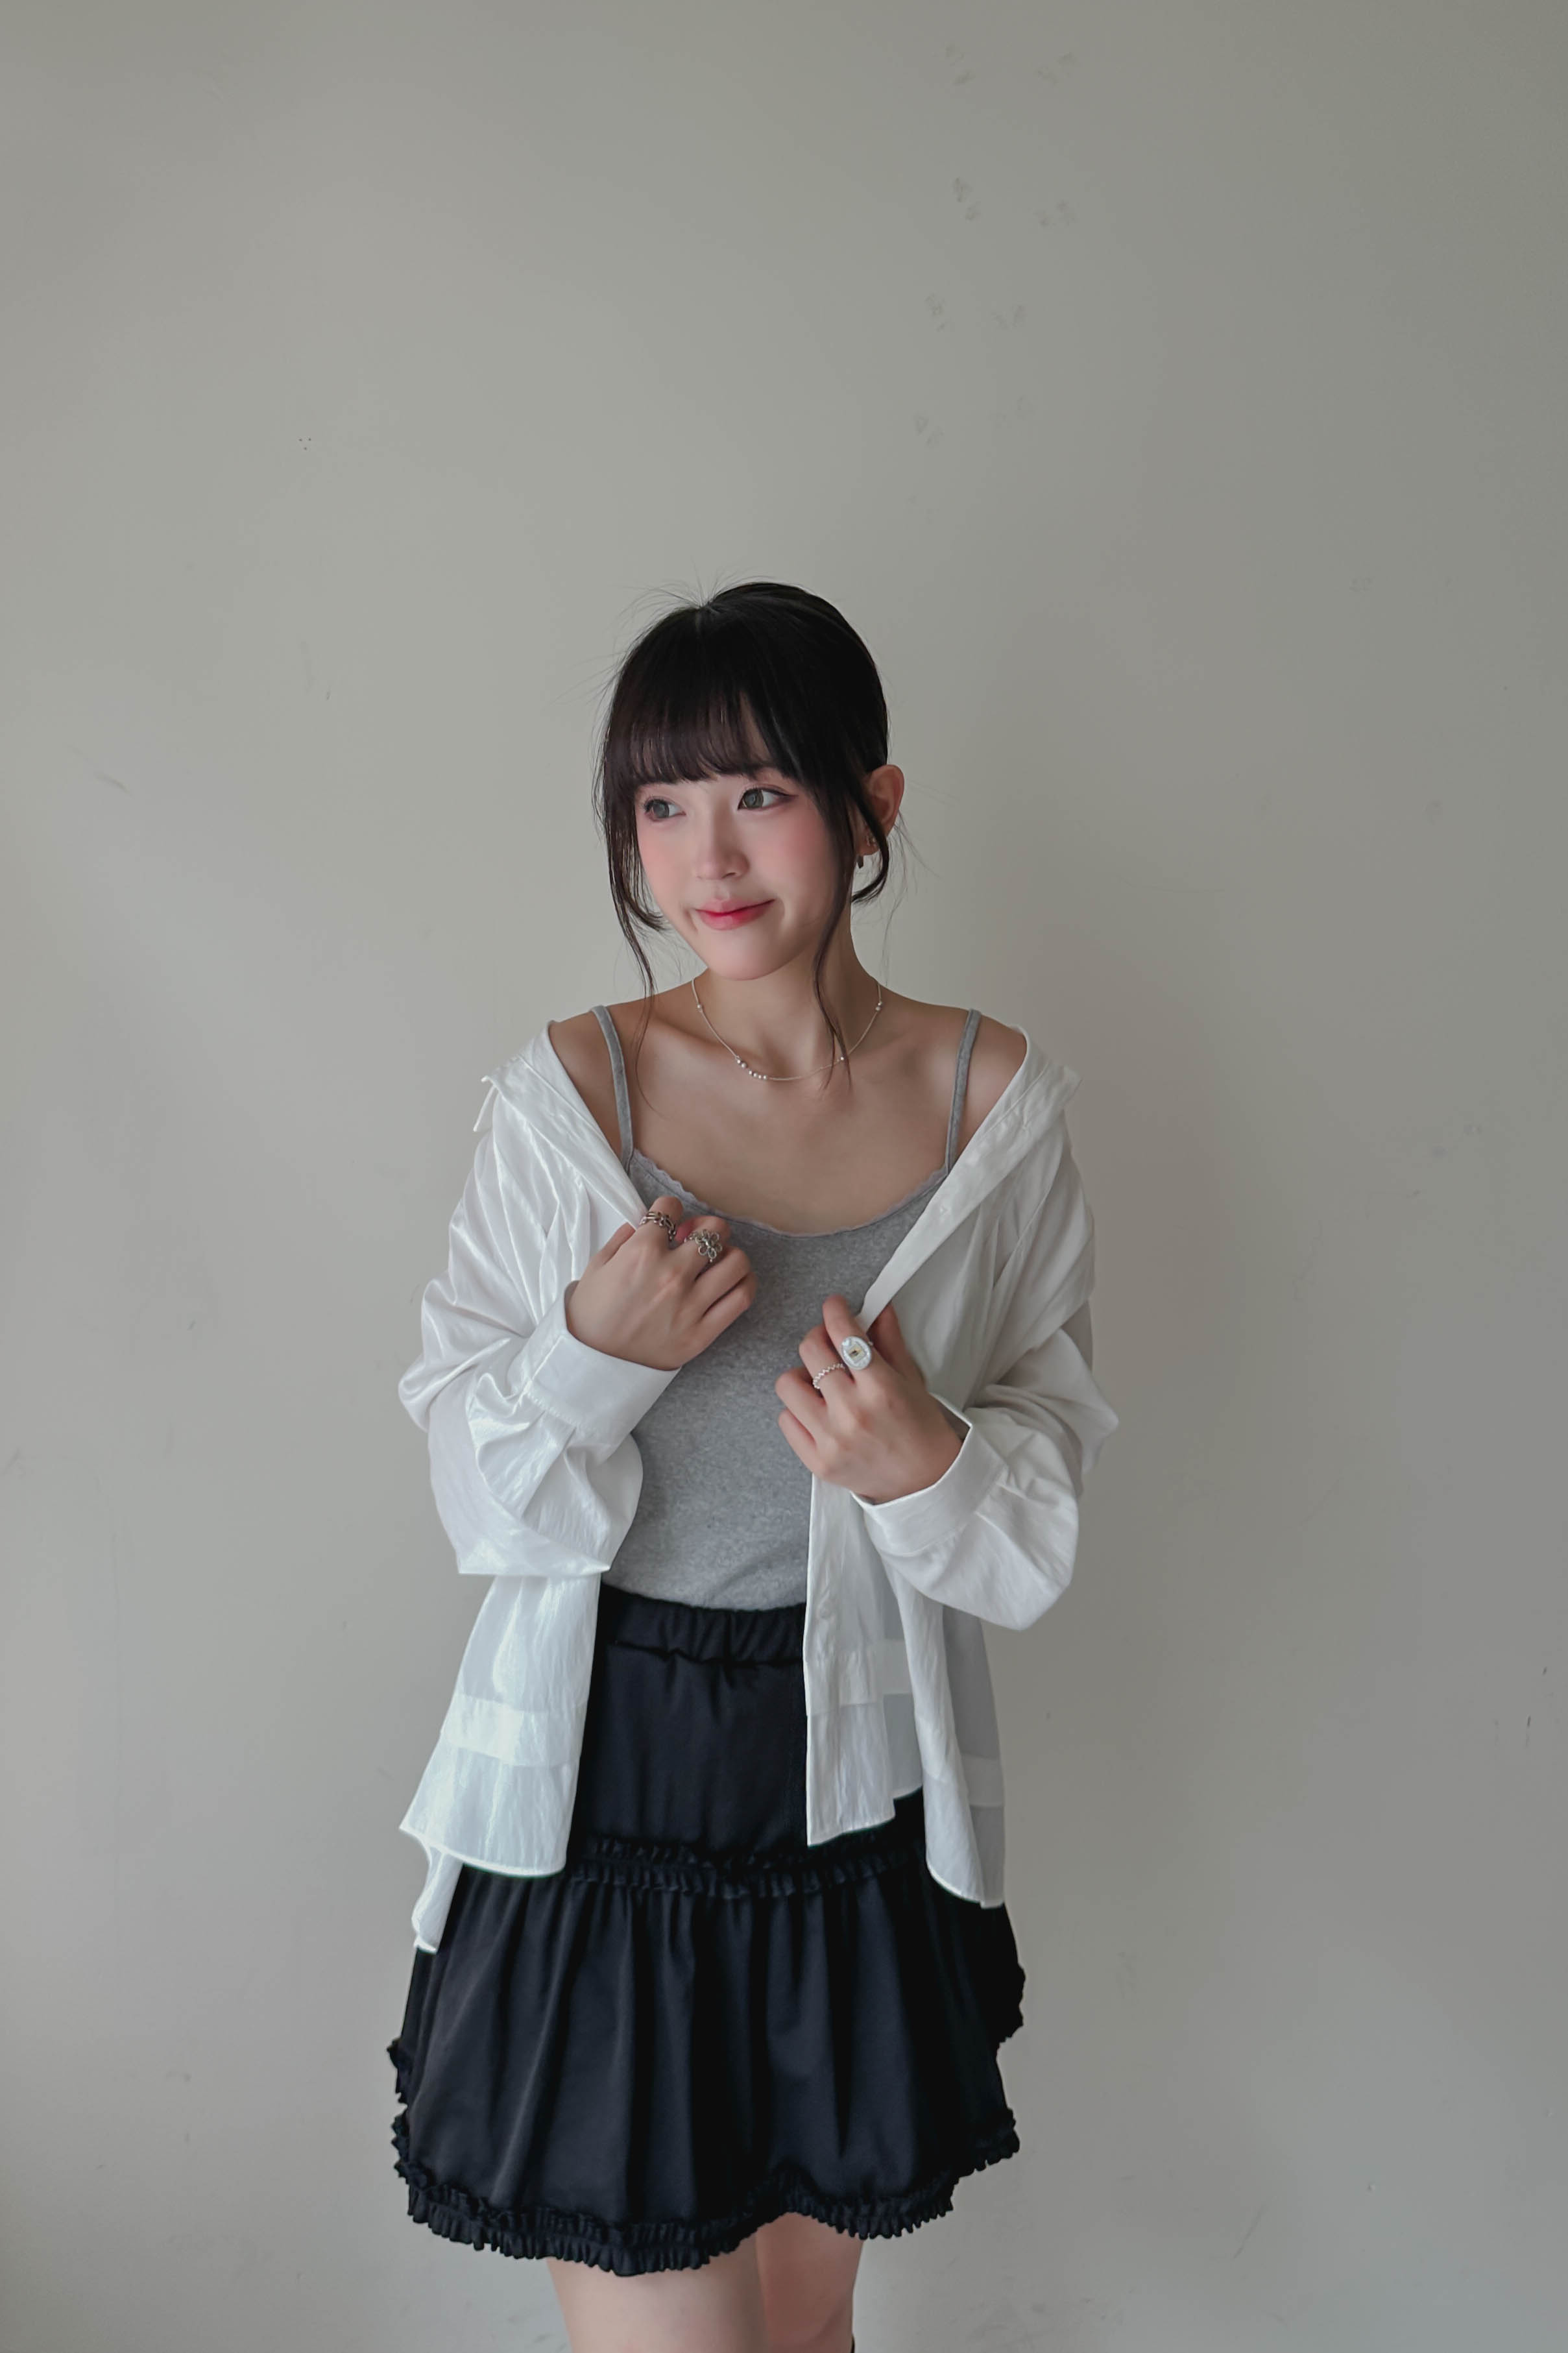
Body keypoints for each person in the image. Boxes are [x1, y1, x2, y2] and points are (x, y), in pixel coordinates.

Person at [387, 580, 1120, 2352]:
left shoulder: (993, 1101)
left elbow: (1034, 1506)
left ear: (871, 807)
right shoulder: (572, 1097)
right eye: (660, 803)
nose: (704, 856)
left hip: (854, 1774)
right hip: (607, 1780)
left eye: (759, 793)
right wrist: (590, 1352)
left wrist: (923, 1459)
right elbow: (473, 1492)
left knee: (803, 2330)